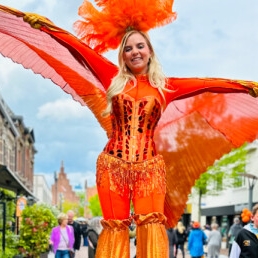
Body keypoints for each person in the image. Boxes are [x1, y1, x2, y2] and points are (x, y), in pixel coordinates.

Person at [1, 1, 258, 257]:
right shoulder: (110, 76)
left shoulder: (166, 87)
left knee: (152, 226)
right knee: (115, 228)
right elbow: (76, 48)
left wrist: (245, 87)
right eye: (128, 48)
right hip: (112, 167)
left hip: (150, 170)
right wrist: (45, 28)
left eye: (139, 46)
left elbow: (207, 85)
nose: (134, 52)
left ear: (150, 51)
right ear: (122, 55)